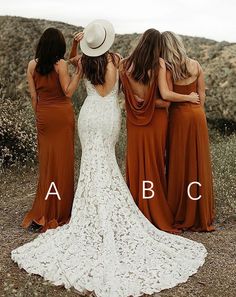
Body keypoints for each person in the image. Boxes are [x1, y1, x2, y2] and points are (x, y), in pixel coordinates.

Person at [12, 21, 207, 297]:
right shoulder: (119, 60)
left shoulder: (82, 62)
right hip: (109, 118)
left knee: (91, 163)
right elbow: (135, 74)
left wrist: (77, 45)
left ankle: (89, 208)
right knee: (107, 161)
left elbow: (67, 62)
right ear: (107, 42)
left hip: (89, 116)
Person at [119, 29, 200, 233]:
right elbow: (165, 102)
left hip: (134, 121)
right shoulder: (159, 66)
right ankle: (155, 209)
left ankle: (136, 206)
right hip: (156, 121)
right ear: (157, 47)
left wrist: (140, 102)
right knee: (155, 163)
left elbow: (125, 96)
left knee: (136, 162)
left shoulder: (124, 65)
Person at [22, 28, 81, 232]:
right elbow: (68, 92)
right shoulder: (61, 64)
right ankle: (60, 209)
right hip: (62, 116)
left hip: (44, 116)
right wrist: (79, 73)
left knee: (47, 161)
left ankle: (44, 208)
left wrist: (39, 117)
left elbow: (33, 97)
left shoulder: (32, 65)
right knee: (63, 159)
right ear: (59, 46)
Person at [160, 31, 215, 231]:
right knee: (197, 160)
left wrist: (185, 100)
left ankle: (180, 210)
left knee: (179, 161)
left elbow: (167, 97)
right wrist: (196, 108)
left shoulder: (167, 68)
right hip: (197, 116)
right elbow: (202, 95)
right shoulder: (196, 65)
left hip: (179, 117)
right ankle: (200, 212)